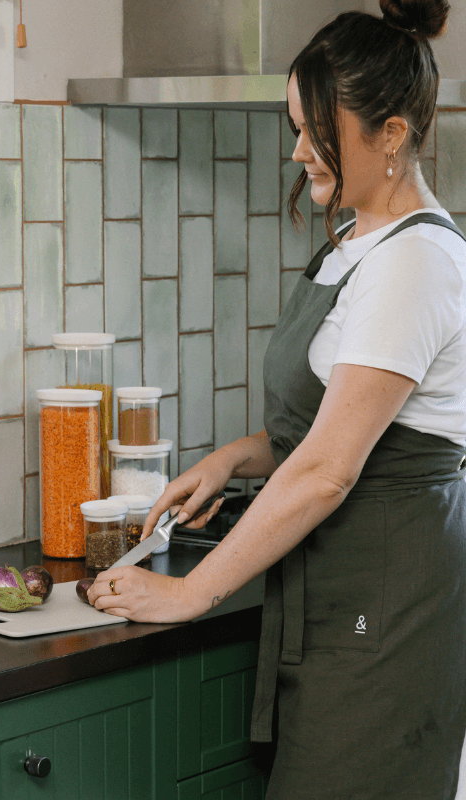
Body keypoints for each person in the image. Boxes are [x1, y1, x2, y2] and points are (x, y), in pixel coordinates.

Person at [87, 0, 466, 796]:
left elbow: (329, 467)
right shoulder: (361, 242)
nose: (298, 151)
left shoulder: (415, 263)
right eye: (295, 125)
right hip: (339, 607)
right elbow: (337, 414)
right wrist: (234, 457)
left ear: (391, 134)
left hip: (385, 620)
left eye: (316, 129)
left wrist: (190, 592)